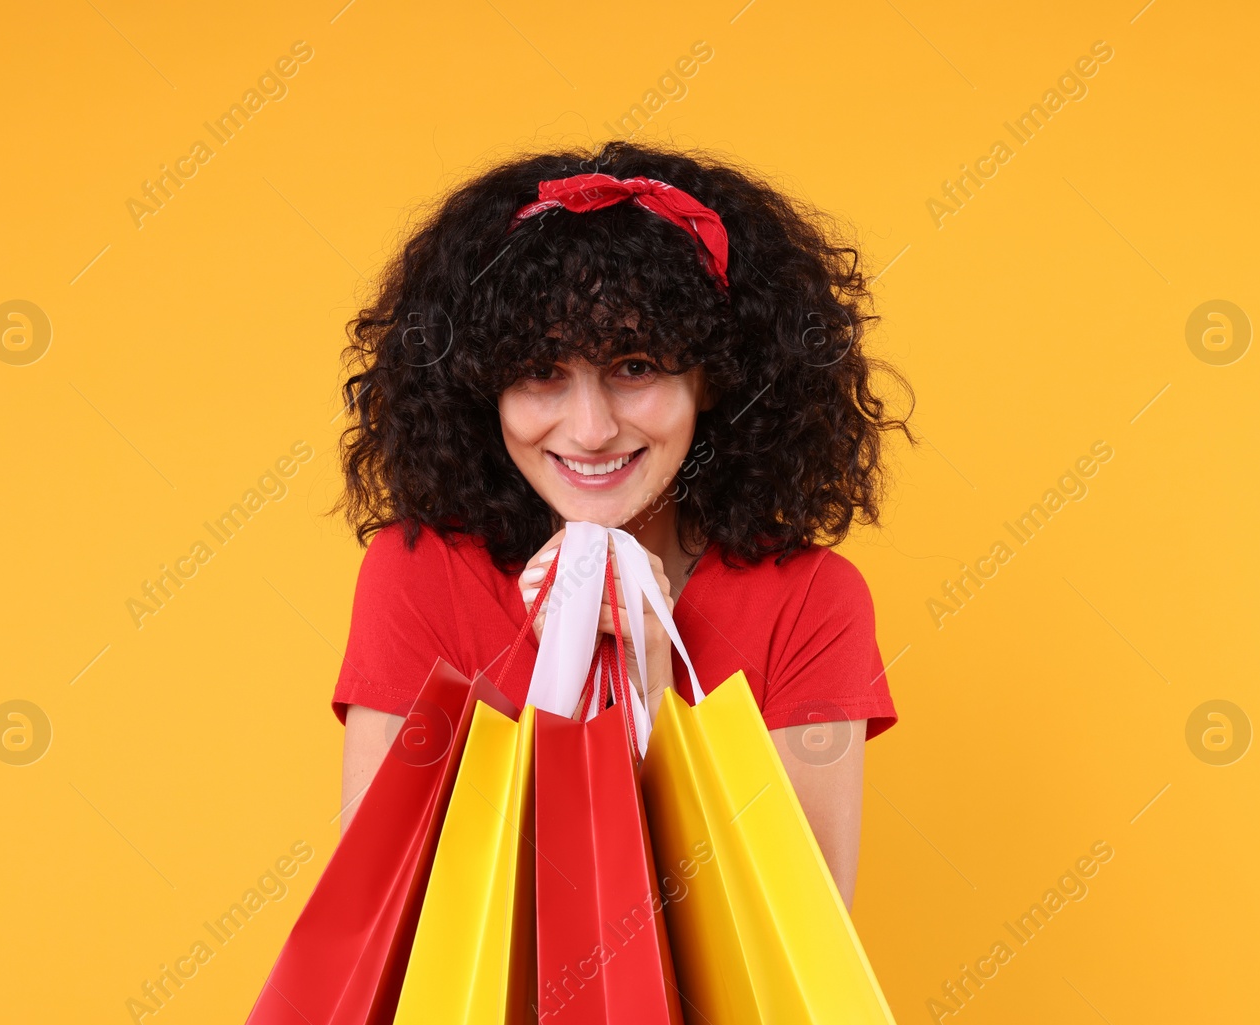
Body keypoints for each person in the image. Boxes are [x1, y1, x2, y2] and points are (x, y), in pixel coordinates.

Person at [329, 141, 914, 909]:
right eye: (542, 372)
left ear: (713, 377)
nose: (591, 427)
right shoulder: (418, 576)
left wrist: (652, 684)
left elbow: (804, 939)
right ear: (484, 390)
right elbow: (377, 915)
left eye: (635, 366)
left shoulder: (811, 602)